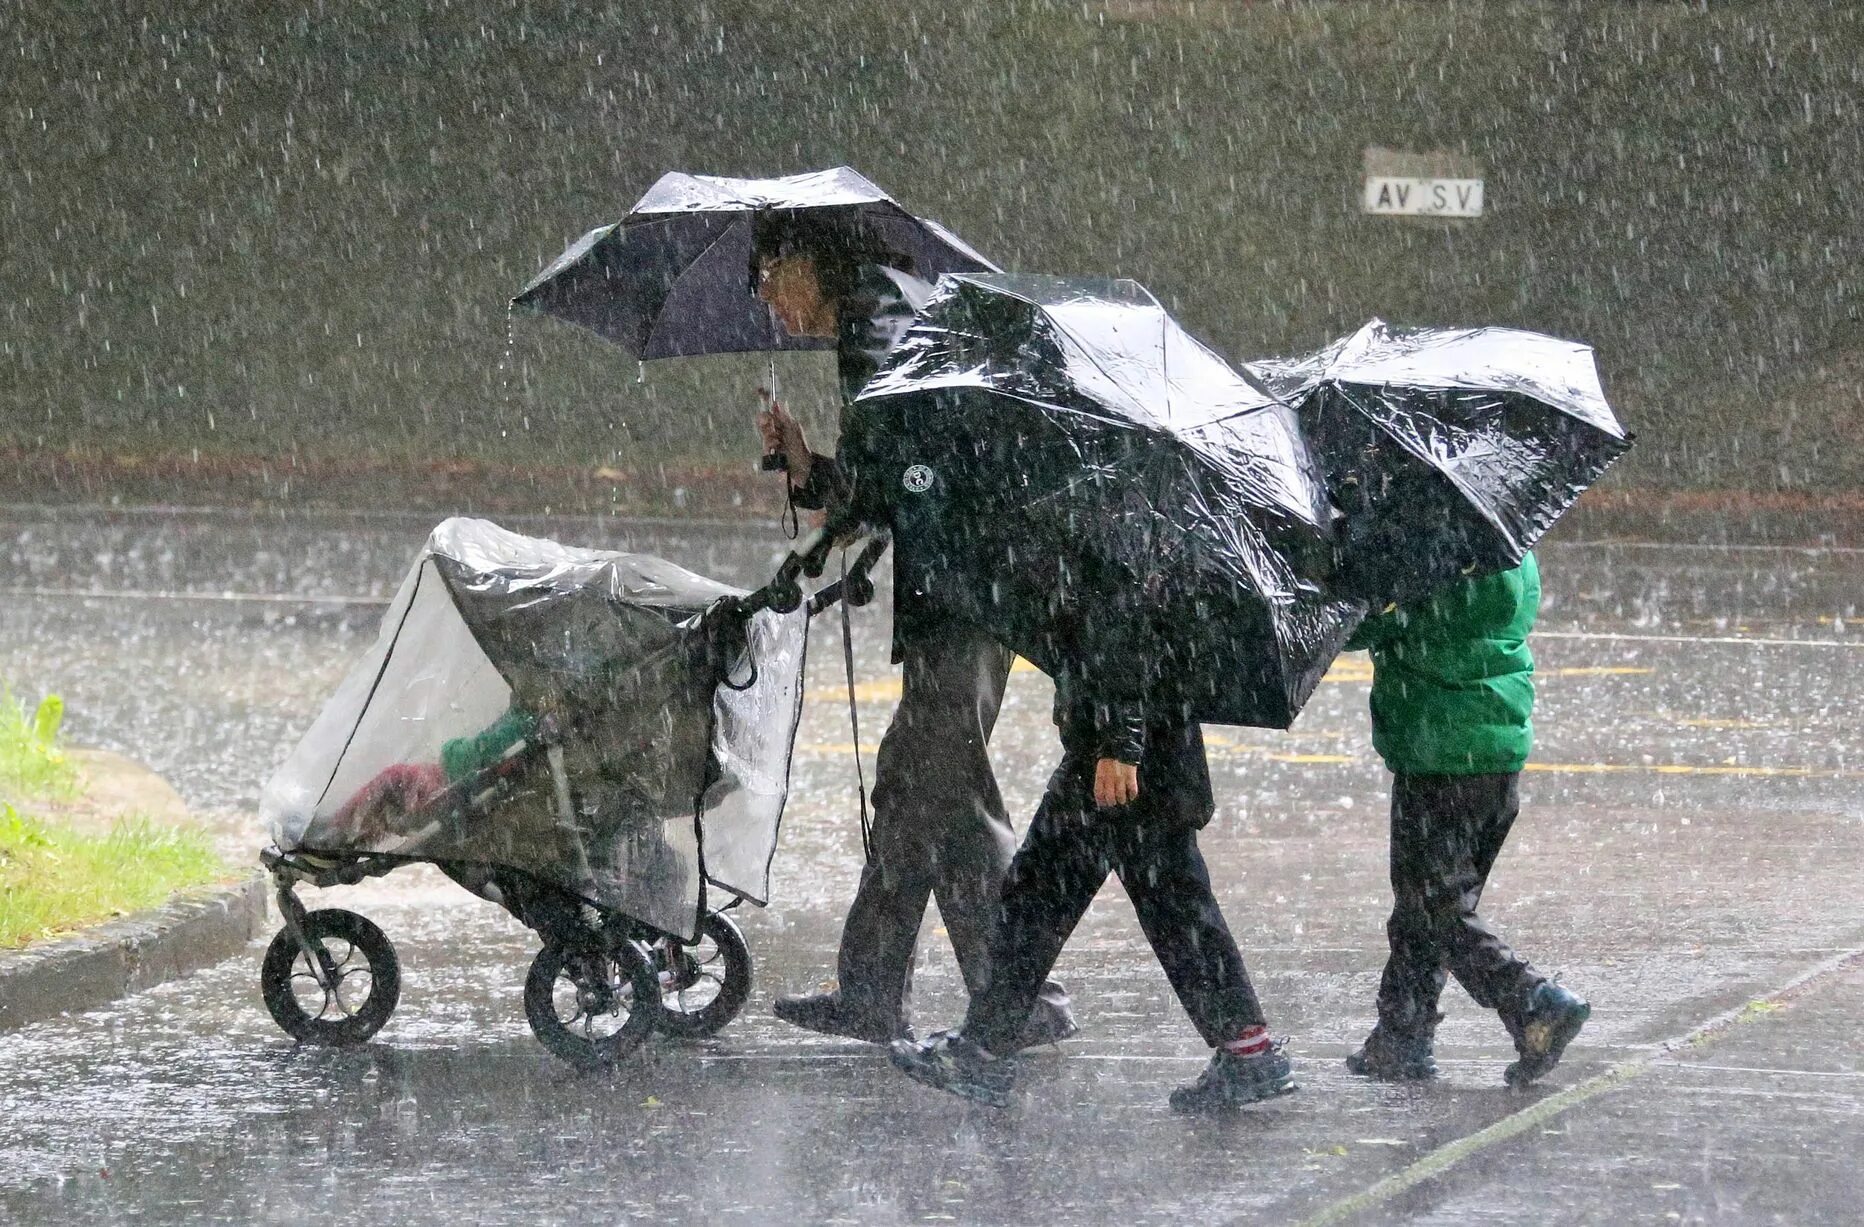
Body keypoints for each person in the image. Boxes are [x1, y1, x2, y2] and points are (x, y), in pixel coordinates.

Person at [752, 212, 1075, 1048]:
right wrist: (814, 468)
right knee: (911, 782)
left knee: (950, 789)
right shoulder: (892, 310)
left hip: (969, 591)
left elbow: (907, 466)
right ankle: (870, 990)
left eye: (768, 278)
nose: (766, 301)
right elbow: (897, 476)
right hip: (976, 583)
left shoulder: (880, 322)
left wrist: (832, 483)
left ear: (803, 263)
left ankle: (1019, 995)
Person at [887, 559, 1293, 1113]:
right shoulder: (1135, 523)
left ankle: (983, 1049)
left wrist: (1120, 743)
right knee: (1168, 905)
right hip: (1144, 752)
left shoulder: (1115, 531)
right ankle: (1249, 1051)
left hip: (1121, 762)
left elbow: (1127, 628)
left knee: (1038, 900)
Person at [1342, 553, 1590, 1088]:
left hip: (1439, 752)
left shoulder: (1428, 559)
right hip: (1497, 752)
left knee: (1435, 907)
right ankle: (1400, 1036)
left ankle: (1531, 999)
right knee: (1426, 902)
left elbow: (1356, 625)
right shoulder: (1509, 548)